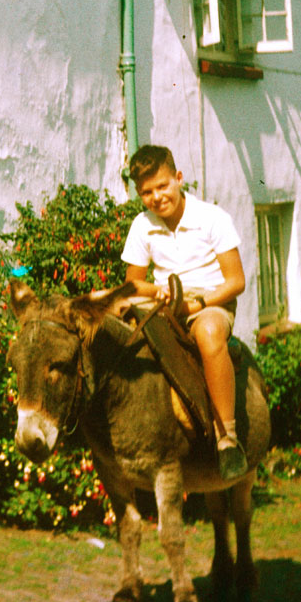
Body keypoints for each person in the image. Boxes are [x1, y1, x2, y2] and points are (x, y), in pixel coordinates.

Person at [120, 144, 248, 479]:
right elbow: (133, 284)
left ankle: (227, 439)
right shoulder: (142, 225)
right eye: (147, 192)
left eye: (162, 186)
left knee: (207, 333)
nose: (156, 197)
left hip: (211, 301)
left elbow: (236, 281)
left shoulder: (212, 218)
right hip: (168, 304)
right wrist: (159, 293)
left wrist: (198, 304)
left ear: (178, 178)